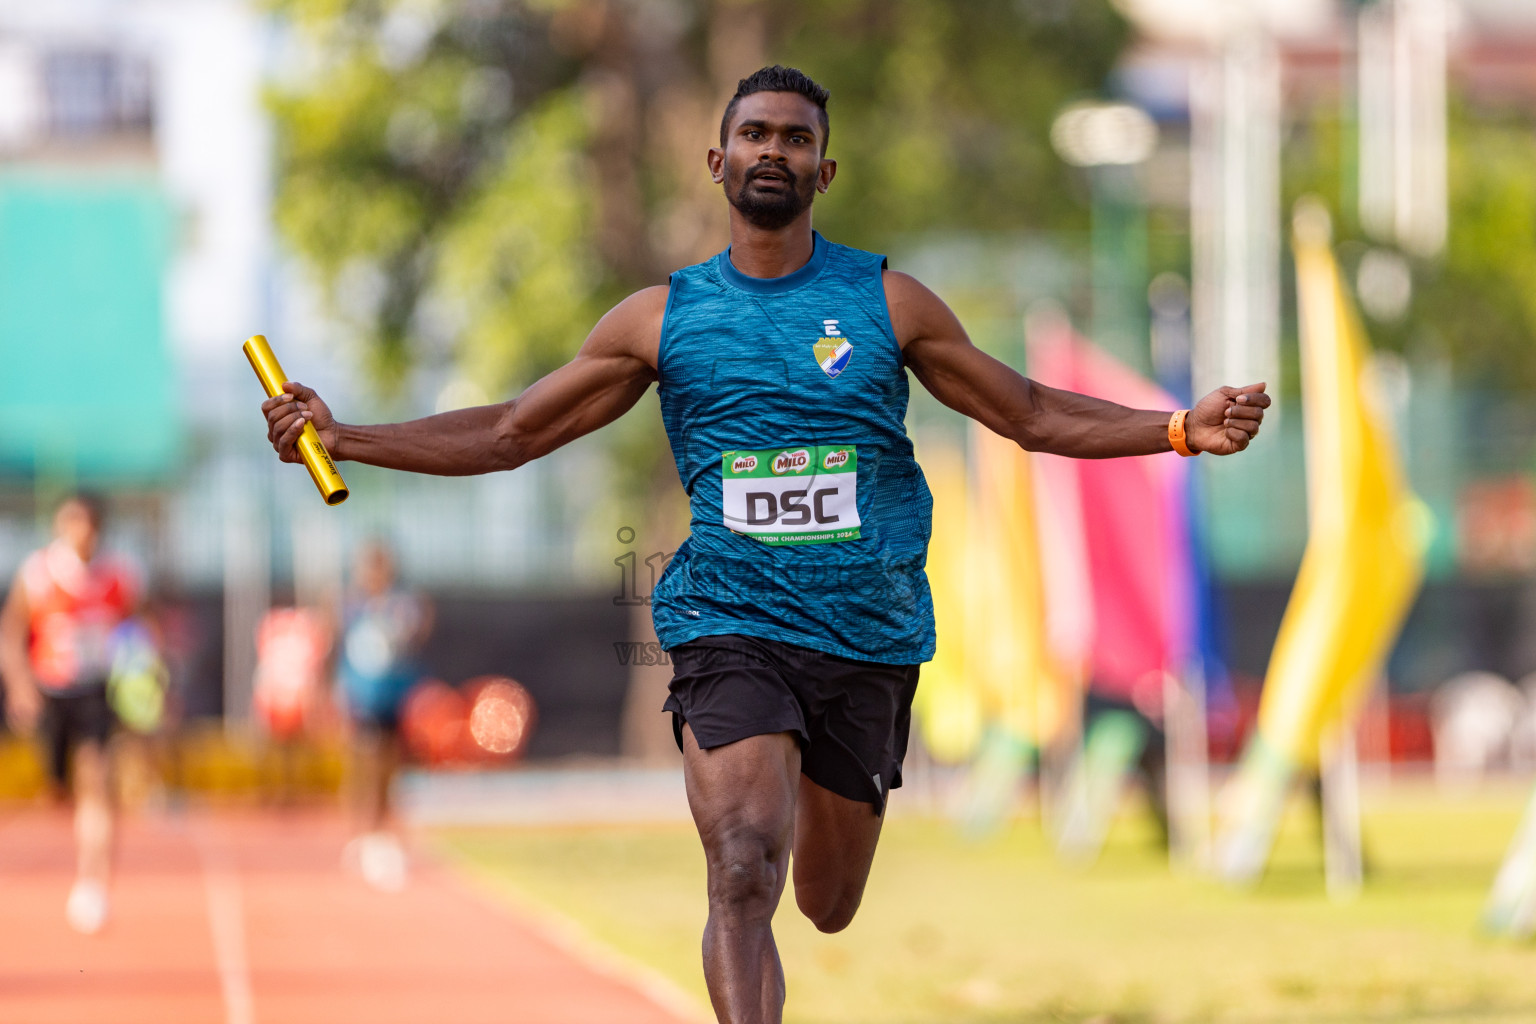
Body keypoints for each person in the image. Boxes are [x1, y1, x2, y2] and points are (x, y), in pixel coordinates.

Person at [261, 65, 1269, 1023]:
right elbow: (516, 429)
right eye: (754, 135)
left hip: (868, 635)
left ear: (824, 171)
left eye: (795, 138)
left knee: (827, 899)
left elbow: (1033, 411)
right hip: (729, 622)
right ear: (719, 163)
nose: (773, 151)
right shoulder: (663, 319)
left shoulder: (889, 304)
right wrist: (346, 436)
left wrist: (1179, 427)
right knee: (743, 864)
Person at [0, 494, 139, 934]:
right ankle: (62, 792)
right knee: (59, 789)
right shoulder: (38, 573)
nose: (81, 534)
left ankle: (92, 884)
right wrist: (21, 686)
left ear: (98, 530)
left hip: (96, 692)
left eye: (89, 526)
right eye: (72, 524)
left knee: (97, 781)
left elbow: (141, 630)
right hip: (51, 693)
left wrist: (144, 683)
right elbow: (12, 630)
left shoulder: (119, 577)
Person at [335, 540, 431, 891]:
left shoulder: (403, 604)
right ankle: (365, 834)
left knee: (392, 766)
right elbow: (338, 646)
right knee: (365, 764)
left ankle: (385, 834)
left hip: (394, 695)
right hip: (362, 698)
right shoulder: (350, 604)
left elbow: (418, 632)